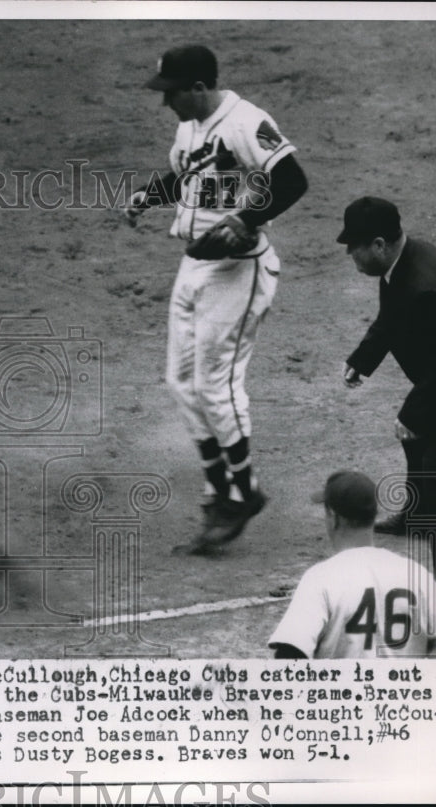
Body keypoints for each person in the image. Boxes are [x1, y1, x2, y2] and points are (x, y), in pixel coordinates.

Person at [124, 45, 308, 552]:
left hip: (237, 270)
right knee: (181, 382)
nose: (167, 103)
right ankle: (222, 488)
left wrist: (246, 219)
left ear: (200, 87)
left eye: (173, 93)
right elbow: (188, 177)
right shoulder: (189, 126)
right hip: (194, 264)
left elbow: (292, 180)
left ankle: (243, 492)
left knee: (216, 384)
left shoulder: (246, 122)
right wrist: (149, 195)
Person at [338, 197, 436, 588]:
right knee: (416, 437)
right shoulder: (401, 264)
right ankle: (418, 515)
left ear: (379, 244)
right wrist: (362, 360)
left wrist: (413, 412)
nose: (350, 254)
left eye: (354, 246)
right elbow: (391, 318)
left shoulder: (426, 287)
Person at [268, 470, 436, 659]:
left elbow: (289, 652)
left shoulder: (320, 578)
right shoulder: (414, 573)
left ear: (333, 517)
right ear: (374, 516)